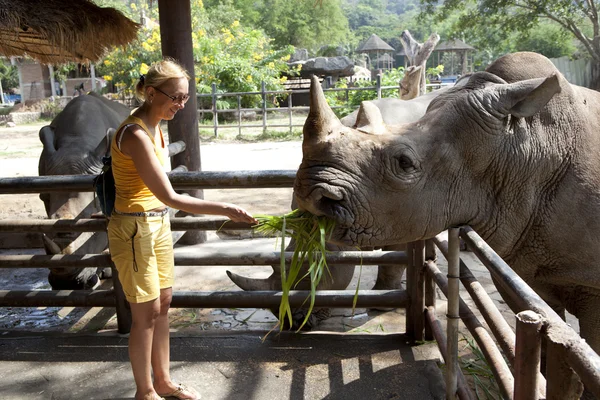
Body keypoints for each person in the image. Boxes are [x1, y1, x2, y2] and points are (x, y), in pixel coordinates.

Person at [107, 59, 257, 400]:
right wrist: (225, 210)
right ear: (149, 92)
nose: (181, 104)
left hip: (156, 225)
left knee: (162, 304)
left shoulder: (157, 127)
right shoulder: (135, 134)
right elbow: (170, 196)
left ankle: (163, 382)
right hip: (133, 230)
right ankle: (144, 392)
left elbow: (163, 201)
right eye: (175, 97)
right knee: (144, 314)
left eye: (185, 98)